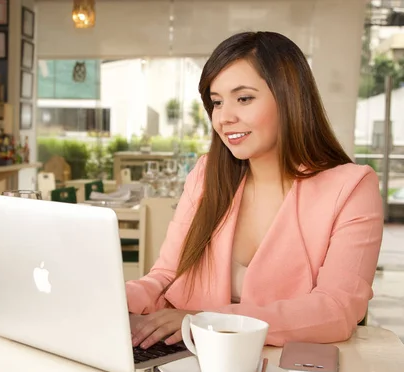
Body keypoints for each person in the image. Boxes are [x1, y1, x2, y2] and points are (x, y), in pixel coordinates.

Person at [127, 31, 384, 349]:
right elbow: (166, 274)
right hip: (185, 358)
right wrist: (111, 298)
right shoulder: (208, 174)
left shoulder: (351, 188)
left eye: (244, 98)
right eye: (217, 102)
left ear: (289, 97)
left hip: (283, 371)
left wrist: (206, 323)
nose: (224, 118)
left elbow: (337, 308)